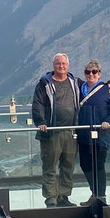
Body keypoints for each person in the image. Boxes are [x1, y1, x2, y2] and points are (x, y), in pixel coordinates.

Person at [31, 53, 80, 207]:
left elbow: (91, 87)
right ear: (53, 65)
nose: (61, 66)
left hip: (71, 131)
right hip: (51, 132)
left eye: (64, 64)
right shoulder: (44, 83)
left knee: (68, 166)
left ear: (68, 65)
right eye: (58, 64)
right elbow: (37, 103)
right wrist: (41, 122)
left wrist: (109, 84)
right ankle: (51, 198)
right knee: (50, 166)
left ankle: (63, 196)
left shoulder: (74, 82)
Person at [76, 60, 110, 205]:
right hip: (84, 135)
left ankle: (101, 196)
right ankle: (95, 193)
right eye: (88, 72)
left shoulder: (107, 90)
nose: (91, 74)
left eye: (94, 72)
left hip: (100, 136)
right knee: (85, 164)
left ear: (99, 73)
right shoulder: (79, 87)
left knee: (99, 166)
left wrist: (108, 122)